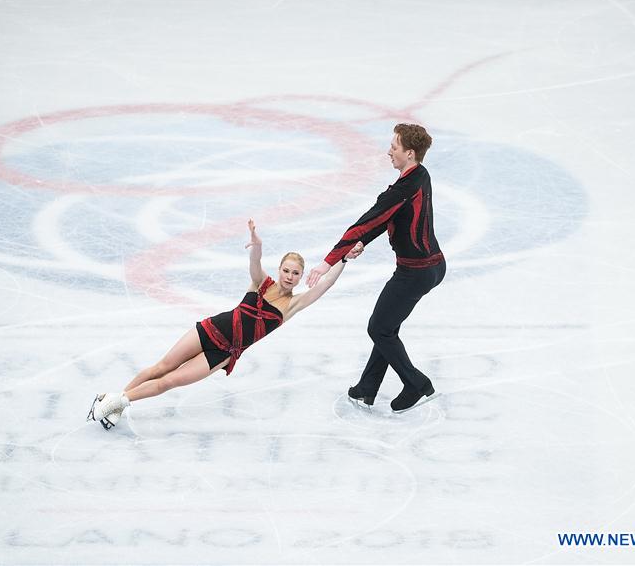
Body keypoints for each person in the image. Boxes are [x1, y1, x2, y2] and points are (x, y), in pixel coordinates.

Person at [88, 219, 364, 429]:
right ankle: (117, 402)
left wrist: (343, 259)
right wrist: (257, 244)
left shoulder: (292, 306)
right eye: (286, 270)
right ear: (279, 270)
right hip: (209, 330)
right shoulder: (261, 283)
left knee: (169, 382)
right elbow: (255, 263)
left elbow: (325, 285)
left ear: (302, 276)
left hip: (222, 354)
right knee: (162, 367)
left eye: (296, 273)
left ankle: (115, 400)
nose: (290, 276)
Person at [306, 123, 445, 413]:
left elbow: (369, 220)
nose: (388, 152)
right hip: (432, 266)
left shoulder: (403, 189)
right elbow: (389, 219)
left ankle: (417, 384)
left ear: (409, 153)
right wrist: (363, 243)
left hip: (414, 272)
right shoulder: (421, 176)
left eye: (394, 147)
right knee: (386, 326)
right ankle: (366, 389)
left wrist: (327, 261)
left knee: (379, 328)